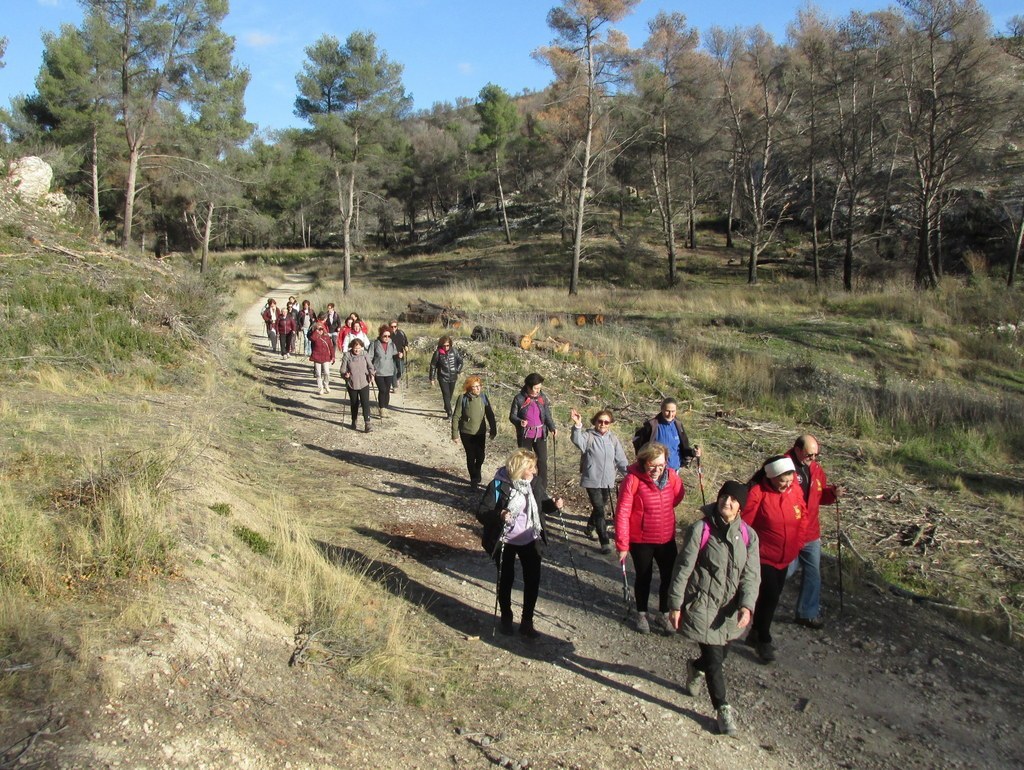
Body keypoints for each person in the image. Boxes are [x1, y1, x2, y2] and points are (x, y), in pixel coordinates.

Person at [668, 481, 760, 737]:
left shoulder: (748, 535)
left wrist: (746, 605)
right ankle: (722, 708)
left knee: (719, 655)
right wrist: (675, 604)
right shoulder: (701, 529)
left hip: (728, 611)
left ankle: (695, 667)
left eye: (733, 499)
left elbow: (752, 575)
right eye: (723, 497)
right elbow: (682, 568)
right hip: (702, 605)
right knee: (715, 660)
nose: (726, 502)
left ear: (741, 506)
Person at [476, 449, 564, 638]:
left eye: (534, 466)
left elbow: (542, 506)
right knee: (506, 579)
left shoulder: (535, 483)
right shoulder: (498, 484)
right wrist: (499, 515)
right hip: (505, 540)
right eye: (530, 467)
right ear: (520, 468)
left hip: (530, 538)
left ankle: (527, 622)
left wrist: (554, 506)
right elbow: (482, 512)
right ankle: (506, 617)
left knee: (532, 581)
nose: (534, 471)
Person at [615, 442, 685, 634]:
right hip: (641, 540)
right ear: (643, 462)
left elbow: (678, 496)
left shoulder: (672, 477)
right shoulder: (632, 479)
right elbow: (622, 513)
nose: (656, 470)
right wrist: (622, 543)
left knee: (668, 578)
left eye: (661, 465)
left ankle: (663, 613)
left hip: (666, 538)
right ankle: (642, 613)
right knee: (643, 577)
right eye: (652, 465)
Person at [741, 455, 806, 663]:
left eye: (789, 479)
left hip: (786, 556)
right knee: (769, 596)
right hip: (763, 557)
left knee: (773, 596)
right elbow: (745, 526)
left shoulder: (794, 489)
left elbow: (802, 515)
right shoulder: (757, 493)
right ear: (771, 477)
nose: (787, 484)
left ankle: (756, 632)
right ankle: (764, 638)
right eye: (782, 480)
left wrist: (799, 542)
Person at [786, 435, 842, 630]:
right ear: (798, 450)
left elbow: (820, 496)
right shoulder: (784, 466)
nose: (813, 458)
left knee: (813, 573)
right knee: (785, 571)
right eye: (810, 454)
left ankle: (807, 613)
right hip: (790, 530)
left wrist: (832, 494)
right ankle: (753, 601)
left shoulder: (817, 470)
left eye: (816, 454)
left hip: (811, 533)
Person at [570, 407, 628, 554]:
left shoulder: (613, 439)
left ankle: (589, 528)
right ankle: (605, 542)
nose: (603, 424)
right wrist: (577, 425)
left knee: (599, 507)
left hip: (608, 480)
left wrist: (630, 474)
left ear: (610, 424)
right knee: (601, 510)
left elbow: (621, 459)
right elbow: (577, 441)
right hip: (592, 479)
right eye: (600, 421)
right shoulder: (588, 436)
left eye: (606, 422)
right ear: (595, 422)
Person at [508, 373, 558, 491]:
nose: (538, 390)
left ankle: (541, 489)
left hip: (540, 434)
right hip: (525, 435)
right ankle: (523, 486)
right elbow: (512, 416)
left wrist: (552, 427)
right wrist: (519, 421)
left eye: (539, 388)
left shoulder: (542, 398)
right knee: (524, 463)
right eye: (535, 388)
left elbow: (547, 415)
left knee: (542, 462)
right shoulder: (519, 398)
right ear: (528, 387)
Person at [632, 397, 701, 471]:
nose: (670, 414)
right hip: (656, 472)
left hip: (675, 470)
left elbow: (684, 447)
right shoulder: (652, 426)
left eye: (673, 411)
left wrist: (693, 452)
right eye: (667, 411)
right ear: (662, 409)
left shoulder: (678, 425)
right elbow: (640, 446)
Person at [452, 376, 498, 486]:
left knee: (481, 455)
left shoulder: (483, 397)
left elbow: (490, 414)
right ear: (469, 388)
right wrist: (454, 434)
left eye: (479, 386)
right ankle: (474, 478)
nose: (478, 389)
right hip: (466, 432)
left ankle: (477, 470)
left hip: (480, 432)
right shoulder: (462, 398)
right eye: (475, 387)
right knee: (471, 455)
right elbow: (456, 416)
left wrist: (493, 429)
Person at [340, 338, 375, 432]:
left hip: (364, 382)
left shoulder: (365, 354)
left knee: (365, 403)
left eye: (359, 348)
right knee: (354, 404)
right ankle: (354, 421)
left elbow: (370, 366)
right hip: (352, 383)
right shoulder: (347, 355)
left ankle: (367, 423)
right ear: (352, 347)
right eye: (355, 348)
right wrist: (345, 374)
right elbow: (342, 370)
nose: (357, 350)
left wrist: (371, 374)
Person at [428, 335, 463, 419]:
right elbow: (433, 366)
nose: (446, 347)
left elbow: (460, 362)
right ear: (441, 345)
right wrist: (432, 378)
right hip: (442, 377)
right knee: (446, 395)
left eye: (447, 345)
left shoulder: (454, 351)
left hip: (453, 377)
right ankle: (450, 413)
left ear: (450, 344)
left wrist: (457, 370)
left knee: (450, 395)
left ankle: (446, 406)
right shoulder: (437, 353)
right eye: (444, 345)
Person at [369, 324, 401, 412]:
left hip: (389, 371)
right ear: (380, 335)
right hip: (378, 371)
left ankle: (385, 408)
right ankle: (382, 408)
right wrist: (371, 370)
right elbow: (369, 357)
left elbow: (394, 356)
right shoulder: (374, 344)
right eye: (385, 336)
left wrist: (399, 355)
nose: (387, 338)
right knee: (382, 389)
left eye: (388, 336)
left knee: (387, 390)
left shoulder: (392, 344)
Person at [308, 314, 335, 395]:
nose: (320, 330)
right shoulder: (315, 336)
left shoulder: (326, 337)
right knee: (318, 373)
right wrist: (316, 332)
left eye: (321, 329)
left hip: (326, 357)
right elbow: (312, 339)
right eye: (319, 329)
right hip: (316, 356)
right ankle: (320, 388)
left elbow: (331, 347)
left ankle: (326, 384)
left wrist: (333, 356)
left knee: (327, 372)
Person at [388, 319, 409, 390]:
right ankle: (395, 386)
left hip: (400, 355)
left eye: (395, 326)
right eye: (391, 327)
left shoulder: (401, 333)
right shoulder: (387, 335)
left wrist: (406, 347)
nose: (393, 328)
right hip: (390, 356)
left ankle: (396, 380)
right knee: (393, 370)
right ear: (389, 327)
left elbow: (405, 342)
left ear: (397, 327)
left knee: (401, 370)